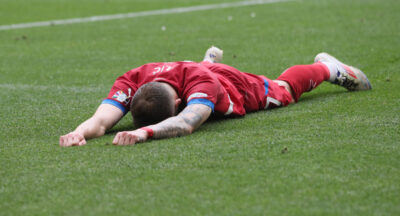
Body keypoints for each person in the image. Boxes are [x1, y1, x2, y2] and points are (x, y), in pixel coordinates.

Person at [59, 46, 372, 147]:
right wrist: (78, 132)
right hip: (194, 73)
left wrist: (142, 133)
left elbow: (186, 124)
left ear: (179, 102)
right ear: (131, 97)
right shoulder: (133, 79)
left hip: (227, 83)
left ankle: (329, 69)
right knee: (200, 70)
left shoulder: (201, 89)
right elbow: (101, 122)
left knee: (284, 90)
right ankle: (208, 58)